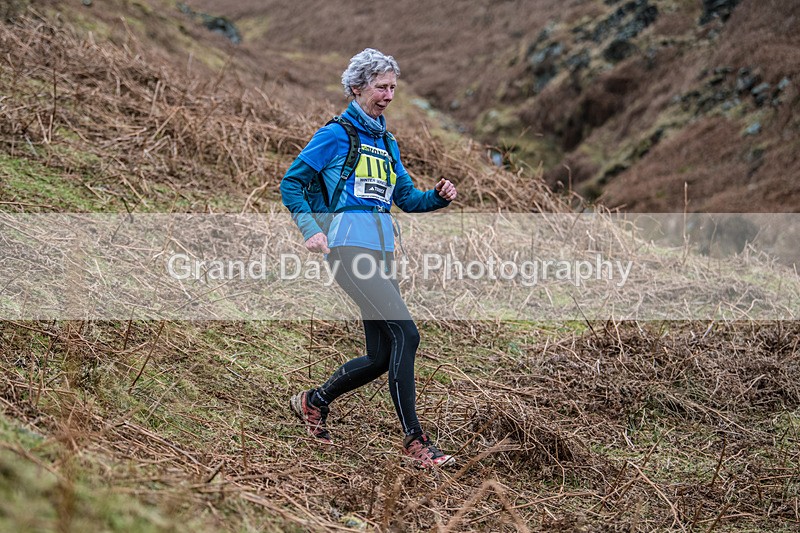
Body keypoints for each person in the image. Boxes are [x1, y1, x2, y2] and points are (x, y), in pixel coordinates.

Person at [280, 48, 458, 468]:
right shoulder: (335, 134)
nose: (389, 95)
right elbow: (292, 184)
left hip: (382, 252)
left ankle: (313, 401)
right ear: (357, 87)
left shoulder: (387, 141)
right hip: (347, 249)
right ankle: (415, 442)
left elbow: (407, 198)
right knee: (407, 334)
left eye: (393, 87)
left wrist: (437, 197)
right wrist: (311, 229)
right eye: (381, 87)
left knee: (381, 355)